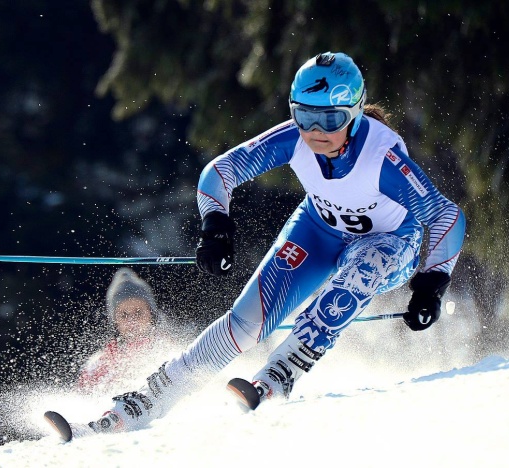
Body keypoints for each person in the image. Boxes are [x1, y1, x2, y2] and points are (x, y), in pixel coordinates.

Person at [60, 51, 466, 437]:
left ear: (355, 113)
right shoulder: (295, 138)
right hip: (319, 230)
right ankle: (148, 399)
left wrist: (432, 284)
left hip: (390, 241)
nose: (315, 132)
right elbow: (220, 171)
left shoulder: (381, 157)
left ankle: (280, 373)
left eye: (331, 119)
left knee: (357, 274)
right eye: (304, 117)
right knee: (246, 321)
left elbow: (447, 216)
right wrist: (215, 226)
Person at [77, 268, 174, 393]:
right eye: (124, 315)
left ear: (151, 314)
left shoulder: (169, 351)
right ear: (115, 321)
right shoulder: (99, 364)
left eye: (138, 313)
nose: (132, 321)